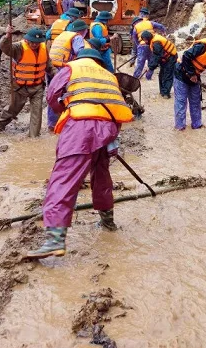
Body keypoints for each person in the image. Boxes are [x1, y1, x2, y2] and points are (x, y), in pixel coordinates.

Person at [27, 47, 134, 259]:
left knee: (64, 178)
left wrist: (67, 107)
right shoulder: (109, 76)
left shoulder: (71, 68)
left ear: (80, 59)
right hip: (108, 129)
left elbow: (51, 97)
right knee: (101, 175)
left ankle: (55, 240)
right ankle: (108, 221)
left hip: (80, 128)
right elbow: (117, 108)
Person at [0, 27, 48, 137]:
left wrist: (57, 76)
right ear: (27, 40)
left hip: (37, 87)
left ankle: (34, 137)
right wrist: (8, 35)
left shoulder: (43, 48)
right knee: (13, 109)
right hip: (20, 87)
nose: (34, 45)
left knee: (37, 112)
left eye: (37, 43)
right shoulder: (19, 47)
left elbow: (49, 65)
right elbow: (5, 47)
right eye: (32, 42)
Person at [46, 19, 90, 129]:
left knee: (53, 94)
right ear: (83, 31)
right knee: (66, 95)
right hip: (62, 69)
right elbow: (80, 52)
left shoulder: (62, 35)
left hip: (50, 67)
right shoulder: (77, 37)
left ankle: (52, 124)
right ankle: (66, 123)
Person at [131, 11, 167, 80]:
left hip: (142, 46)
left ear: (135, 23)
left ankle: (135, 78)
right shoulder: (150, 23)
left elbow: (135, 39)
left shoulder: (135, 27)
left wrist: (138, 45)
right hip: (152, 45)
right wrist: (164, 32)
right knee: (151, 62)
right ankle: (148, 77)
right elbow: (161, 26)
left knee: (140, 63)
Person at [142, 30, 177, 99]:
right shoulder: (153, 40)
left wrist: (151, 67)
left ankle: (166, 94)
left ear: (148, 38)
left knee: (167, 75)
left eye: (145, 40)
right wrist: (150, 65)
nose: (145, 42)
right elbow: (156, 55)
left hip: (171, 58)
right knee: (161, 75)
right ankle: (162, 92)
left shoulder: (156, 43)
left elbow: (157, 55)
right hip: (165, 58)